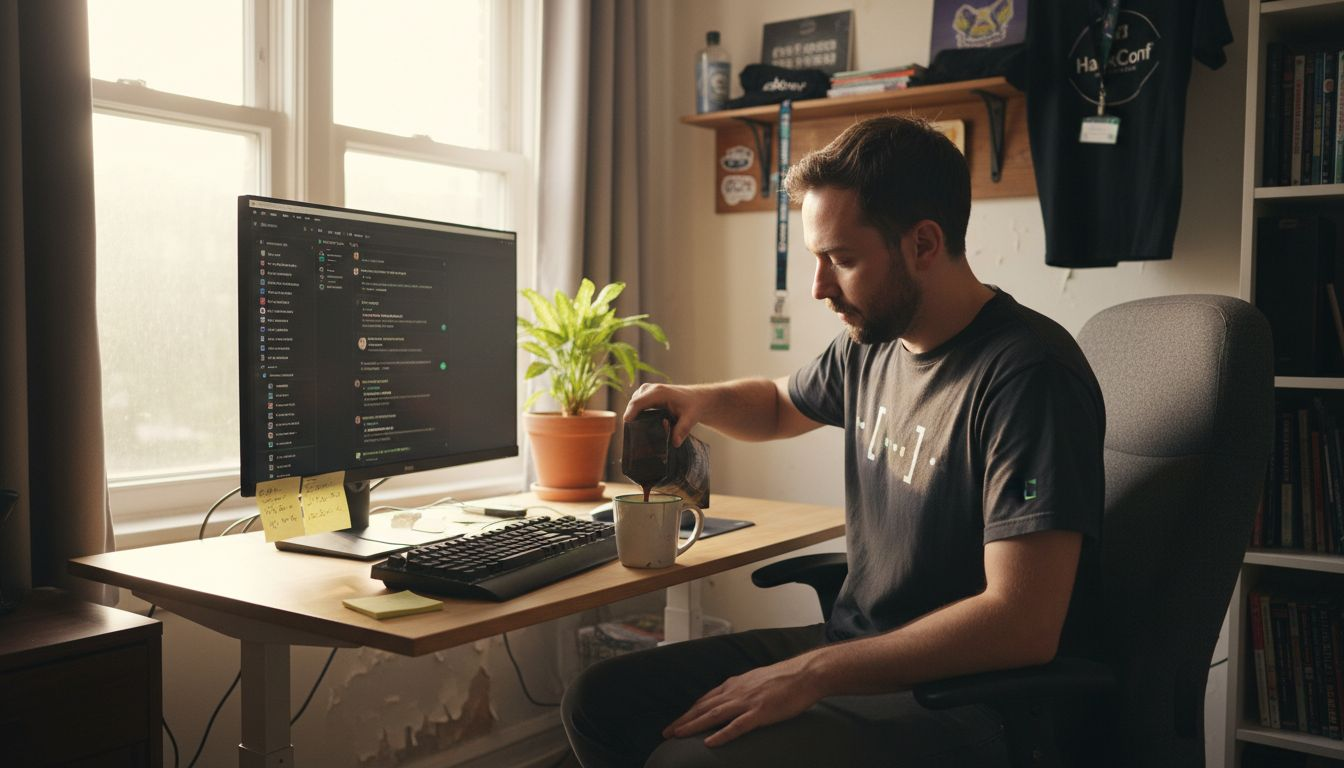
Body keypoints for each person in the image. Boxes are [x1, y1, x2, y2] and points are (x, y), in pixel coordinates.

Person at [560, 115, 1105, 768]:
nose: (819, 288)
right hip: (854, 649)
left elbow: (1022, 622)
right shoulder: (872, 342)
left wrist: (815, 672)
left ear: (924, 244)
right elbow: (777, 403)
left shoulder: (1027, 375)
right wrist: (698, 400)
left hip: (967, 697)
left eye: (842, 260)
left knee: (694, 762)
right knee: (601, 701)